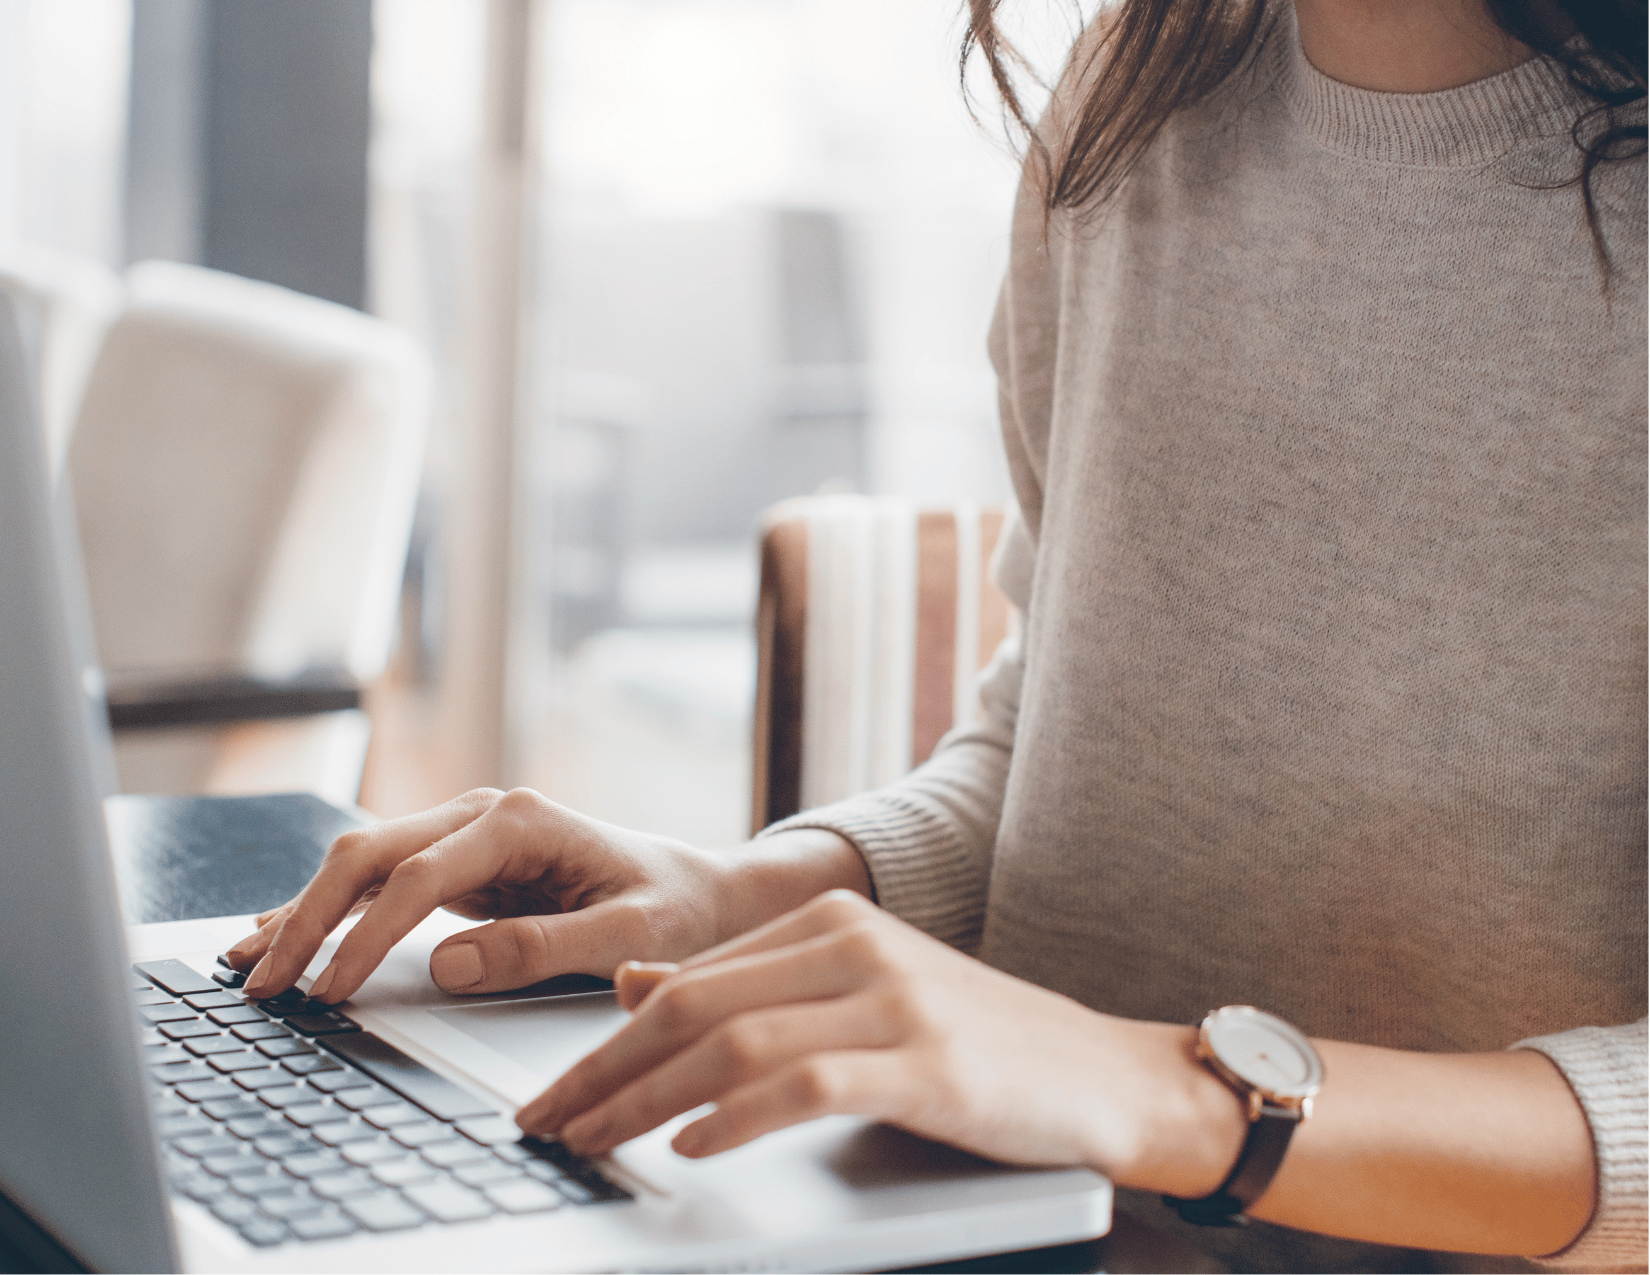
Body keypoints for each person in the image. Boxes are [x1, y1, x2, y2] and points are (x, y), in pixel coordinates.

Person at [227, 0, 1646, 1269]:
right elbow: (1055, 729)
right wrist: (736, 896)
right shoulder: (1137, 91)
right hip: (1002, 1232)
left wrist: (1166, 1094)